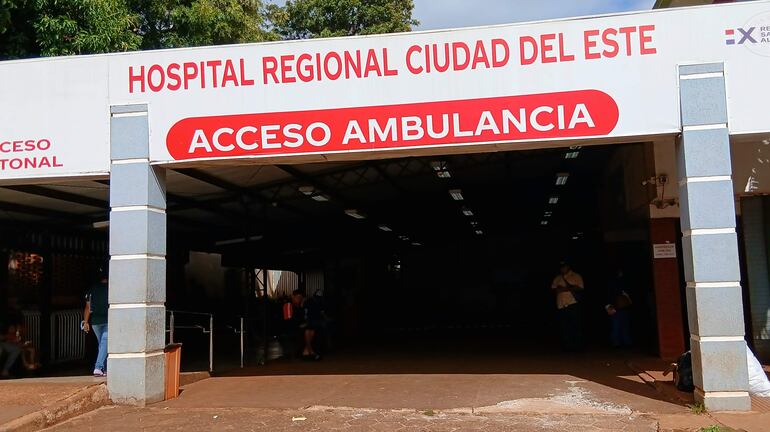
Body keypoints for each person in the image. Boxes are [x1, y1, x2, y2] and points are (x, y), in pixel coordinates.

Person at [551, 262, 584, 351]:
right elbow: (553, 289)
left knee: (576, 325)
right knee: (564, 327)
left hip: (573, 304)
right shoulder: (557, 278)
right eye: (561, 267)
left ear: (568, 267)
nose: (562, 269)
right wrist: (560, 289)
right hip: (561, 305)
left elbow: (580, 288)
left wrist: (565, 288)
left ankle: (578, 346)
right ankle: (567, 347)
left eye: (564, 267)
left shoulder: (576, 276)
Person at [84, 268, 109, 377]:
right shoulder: (111, 288)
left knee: (102, 344)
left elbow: (88, 307)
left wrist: (85, 322)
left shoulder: (92, 290)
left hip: (95, 322)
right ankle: (98, 367)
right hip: (108, 320)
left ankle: (104, 369)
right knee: (104, 343)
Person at [290, 289, 323, 361]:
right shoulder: (288, 305)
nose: (299, 299)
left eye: (300, 298)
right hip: (291, 326)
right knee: (307, 330)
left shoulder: (301, 307)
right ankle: (310, 351)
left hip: (300, 325)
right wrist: (298, 325)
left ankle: (306, 351)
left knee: (311, 329)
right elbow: (288, 320)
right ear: (293, 296)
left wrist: (302, 308)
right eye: (297, 297)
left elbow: (303, 317)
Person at [605, 269, 633, 348]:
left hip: (620, 306)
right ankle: (621, 342)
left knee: (618, 325)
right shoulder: (619, 283)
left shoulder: (619, 282)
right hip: (619, 306)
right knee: (620, 325)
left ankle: (619, 342)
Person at [0, 314, 22, 379]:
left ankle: (5, 371)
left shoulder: (5, 321)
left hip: (3, 343)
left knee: (17, 349)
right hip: (2, 343)